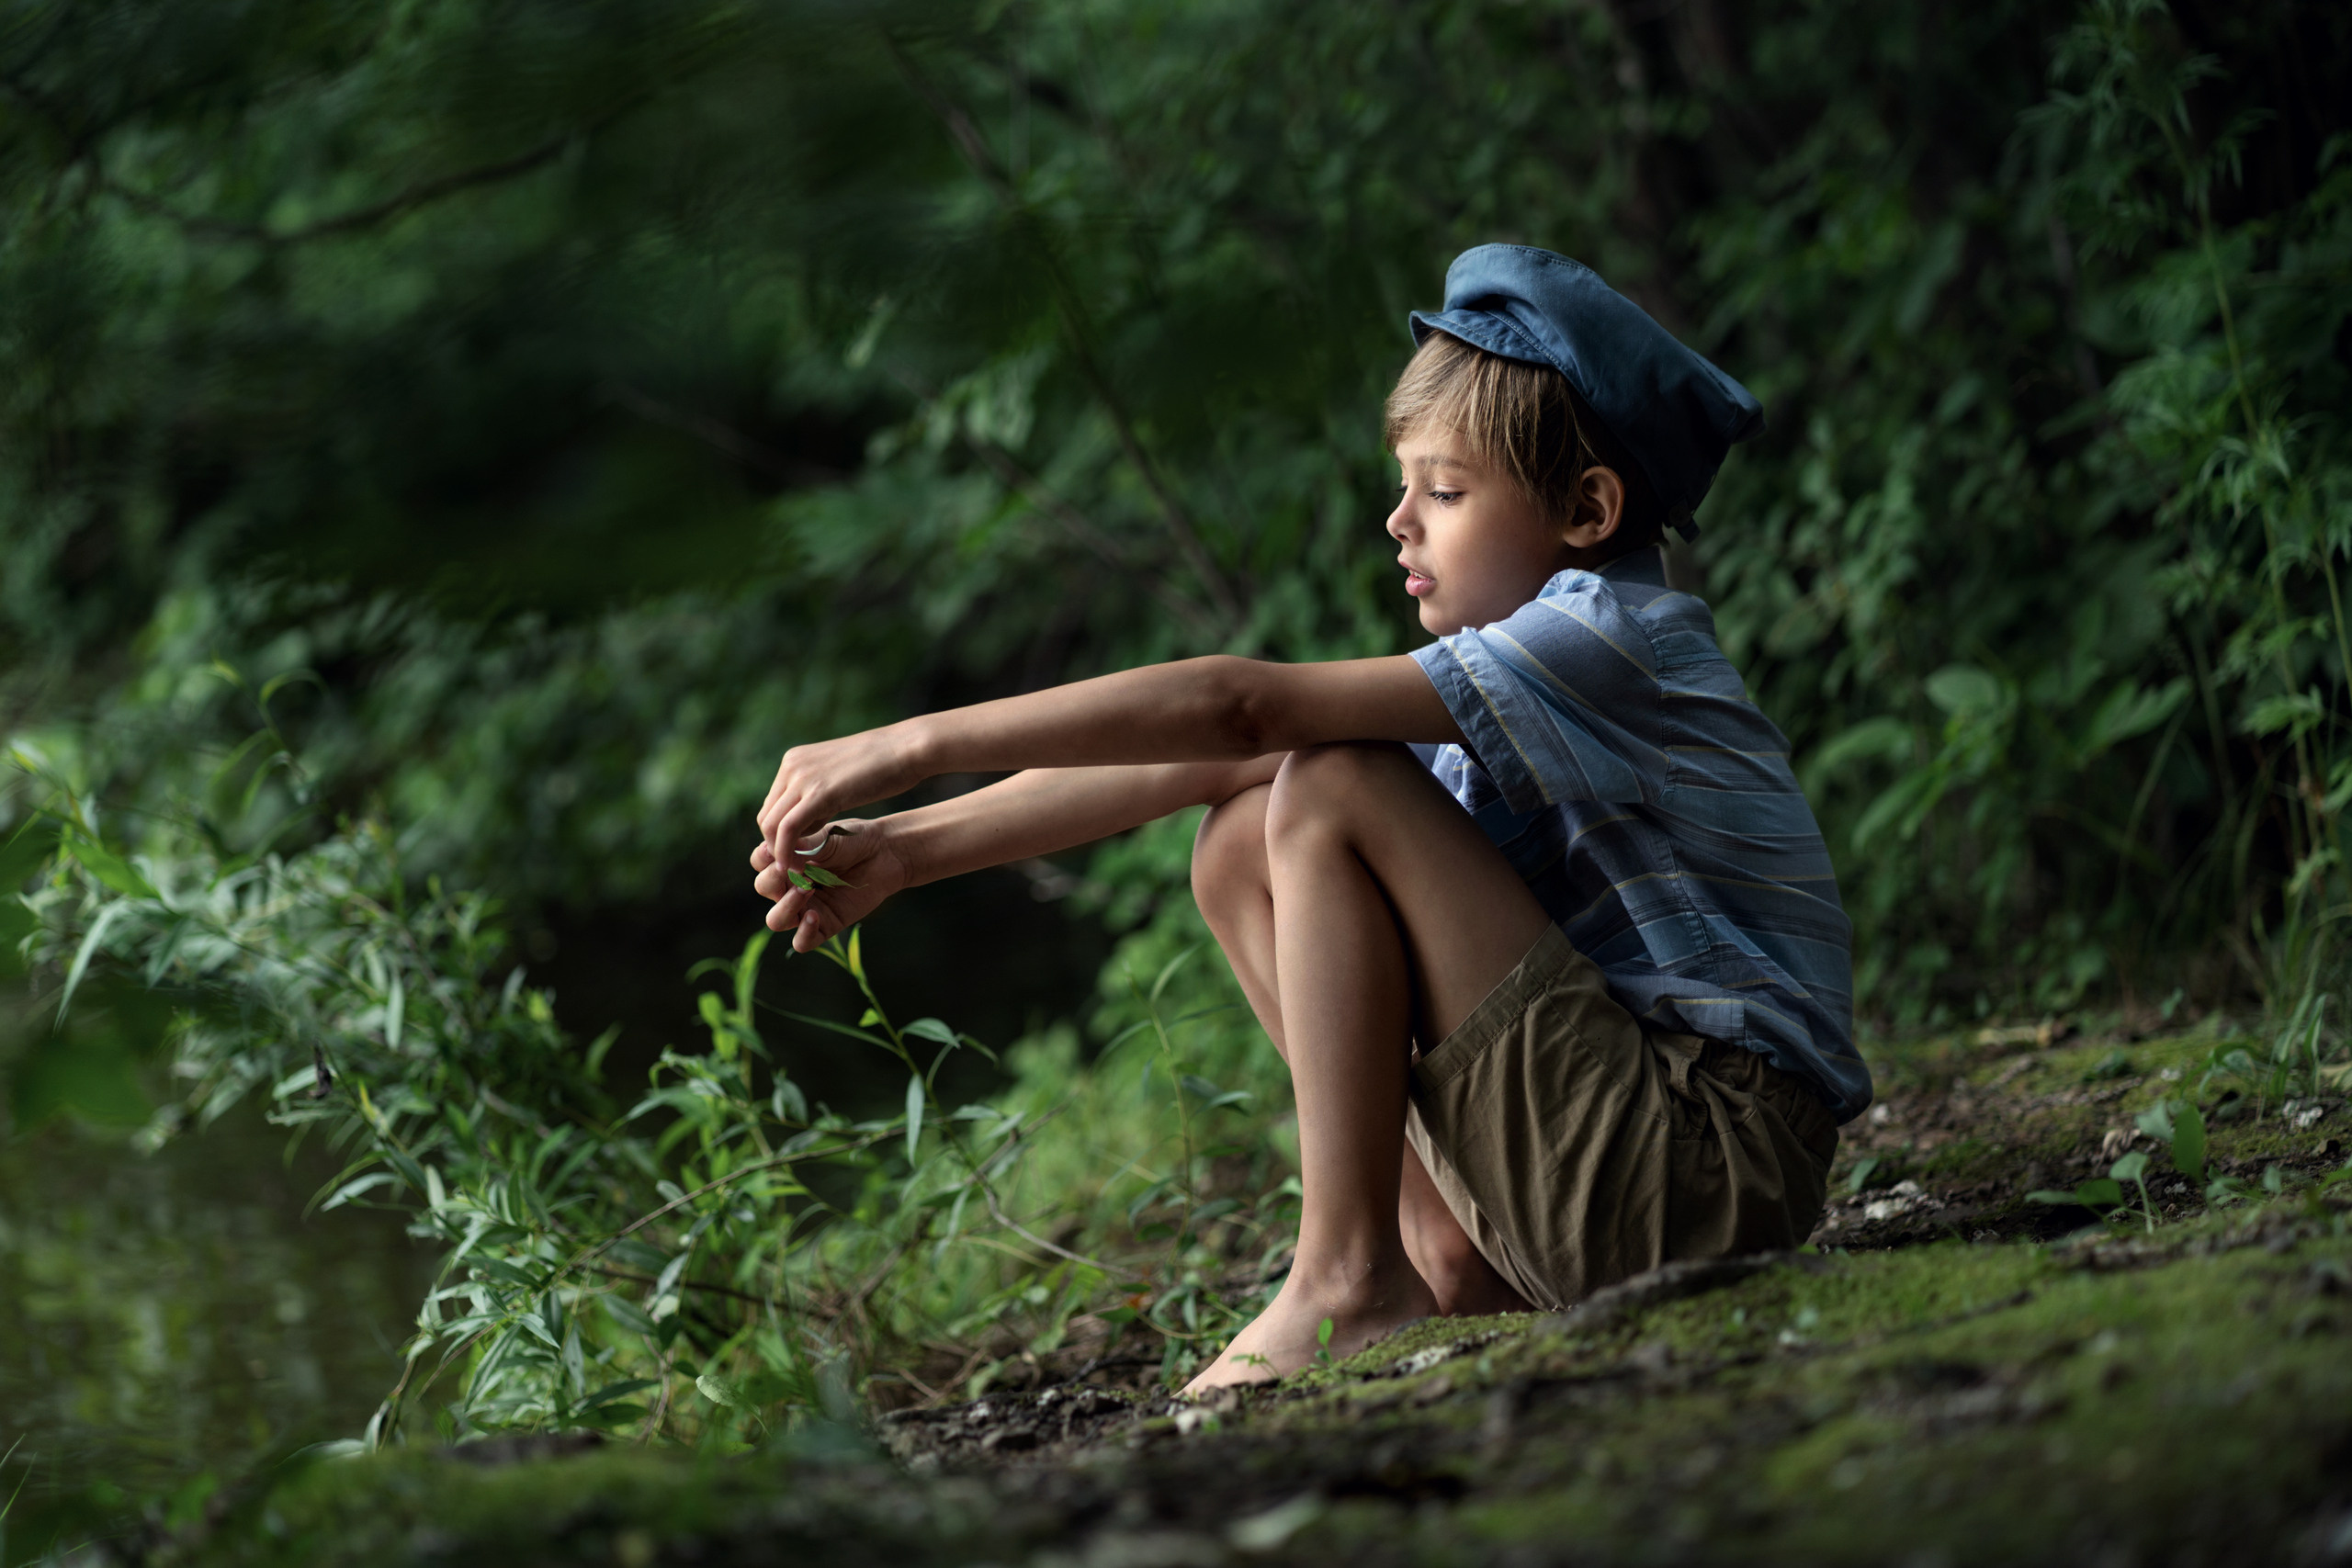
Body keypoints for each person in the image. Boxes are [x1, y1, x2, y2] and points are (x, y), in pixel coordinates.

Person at [748, 244, 1869, 1395]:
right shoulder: (1503, 682)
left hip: (1704, 1168)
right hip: (1622, 1157)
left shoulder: (1611, 640)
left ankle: (1342, 1276)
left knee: (1330, 779)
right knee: (1243, 835)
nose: (1398, 522)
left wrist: (914, 741)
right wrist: (909, 849)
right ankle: (1444, 1265)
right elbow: (1193, 763)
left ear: (1587, 509)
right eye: (1404, 487)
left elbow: (1239, 705)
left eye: (1444, 491)